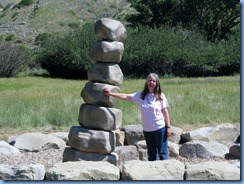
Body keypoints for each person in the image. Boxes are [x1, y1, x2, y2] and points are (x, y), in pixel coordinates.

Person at [103, 73, 171, 161]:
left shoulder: (160, 96)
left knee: (163, 153)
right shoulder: (141, 95)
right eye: (150, 80)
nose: (151, 82)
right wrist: (111, 94)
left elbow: (165, 112)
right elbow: (126, 96)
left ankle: (165, 172)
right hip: (147, 130)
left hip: (159, 128)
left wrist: (168, 127)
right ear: (147, 82)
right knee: (151, 154)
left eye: (154, 81)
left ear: (157, 83)